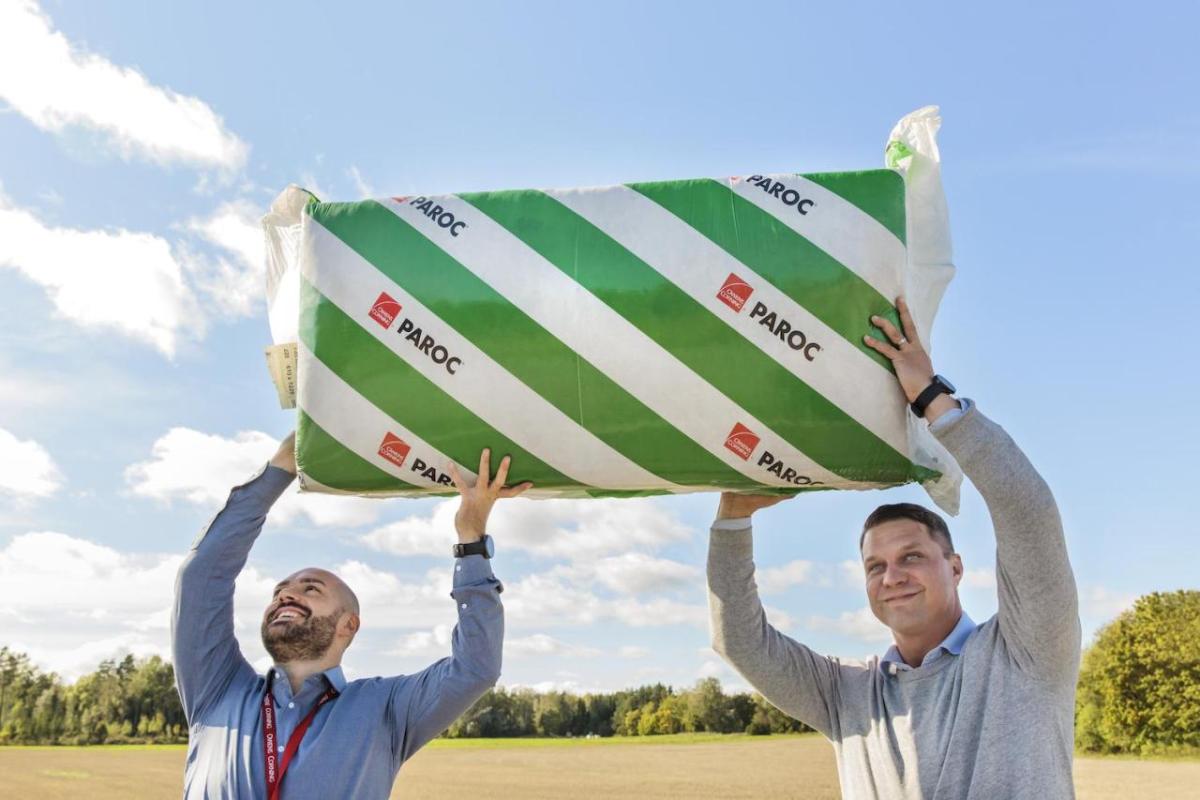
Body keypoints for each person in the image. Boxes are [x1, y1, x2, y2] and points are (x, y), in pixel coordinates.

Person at [707, 297, 1080, 799]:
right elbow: (742, 643)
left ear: (955, 566)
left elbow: (1027, 511)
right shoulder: (845, 692)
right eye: (874, 566)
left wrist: (931, 398)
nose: (891, 577)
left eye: (911, 557)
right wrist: (733, 518)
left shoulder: (1026, 653)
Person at [172, 439, 531, 799]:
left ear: (349, 625)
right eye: (280, 591)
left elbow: (475, 668)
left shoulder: (385, 708)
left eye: (311, 589)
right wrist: (282, 467)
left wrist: (470, 542)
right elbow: (201, 578)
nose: (286, 594)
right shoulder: (216, 686)